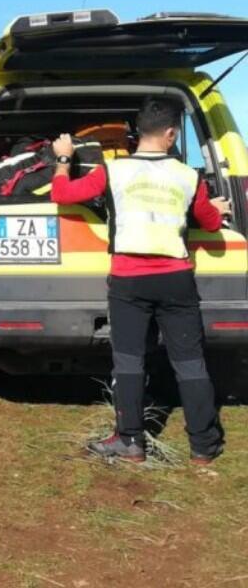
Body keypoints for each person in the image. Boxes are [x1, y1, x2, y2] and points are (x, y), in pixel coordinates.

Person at [50, 98, 230, 465]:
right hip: (176, 280)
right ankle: (203, 446)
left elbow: (61, 194)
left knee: (129, 362)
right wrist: (220, 209)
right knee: (190, 362)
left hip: (129, 281)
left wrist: (64, 157)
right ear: (170, 134)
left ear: (136, 135)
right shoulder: (187, 176)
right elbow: (210, 223)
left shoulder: (112, 172)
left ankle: (130, 441)